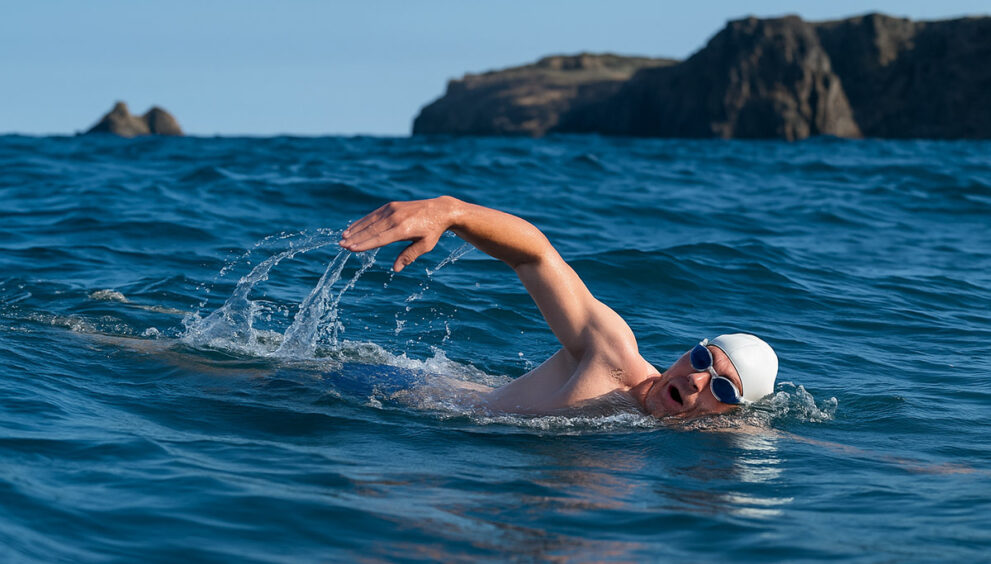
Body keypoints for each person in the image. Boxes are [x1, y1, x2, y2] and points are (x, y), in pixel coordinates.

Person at [339, 196, 778, 419]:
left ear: (732, 413)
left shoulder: (703, 432)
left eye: (722, 389)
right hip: (380, 389)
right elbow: (537, 257)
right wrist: (450, 212)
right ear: (689, 351)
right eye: (702, 359)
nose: (698, 379)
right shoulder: (613, 356)